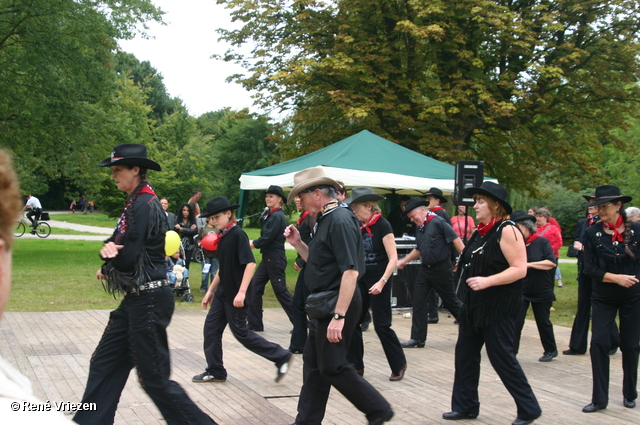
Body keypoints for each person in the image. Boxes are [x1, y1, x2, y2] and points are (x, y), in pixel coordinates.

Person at [74, 143, 215, 425]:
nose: (113, 175)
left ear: (135, 170)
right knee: (105, 362)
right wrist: (110, 253)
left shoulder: (145, 204)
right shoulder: (134, 203)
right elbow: (114, 243)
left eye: (117, 170)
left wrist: (112, 256)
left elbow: (127, 255)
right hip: (137, 299)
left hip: (149, 299)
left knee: (154, 379)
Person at [284, 166, 394, 425]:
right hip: (325, 302)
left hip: (337, 302)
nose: (299, 201)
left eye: (302, 195)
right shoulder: (325, 218)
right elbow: (320, 263)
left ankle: (378, 409)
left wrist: (339, 315)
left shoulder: (340, 219)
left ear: (318, 193)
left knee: (332, 366)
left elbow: (351, 271)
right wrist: (299, 244)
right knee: (314, 366)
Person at [444, 181, 541, 425]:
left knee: (502, 358)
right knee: (464, 355)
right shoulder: (481, 231)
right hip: (473, 305)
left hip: (498, 305)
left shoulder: (508, 230)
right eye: (475, 200)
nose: (475, 205)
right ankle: (465, 406)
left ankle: (529, 408)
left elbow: (520, 270)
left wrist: (487, 281)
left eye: (480, 201)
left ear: (496, 205)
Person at [0, 150, 73, 423]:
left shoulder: (32, 200)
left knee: (32, 219)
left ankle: (34, 228)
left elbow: (29, 208)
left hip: (39, 212)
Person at [193, 197, 293, 384]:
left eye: (217, 217)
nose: (213, 222)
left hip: (235, 296)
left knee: (242, 333)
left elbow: (250, 263)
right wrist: (210, 291)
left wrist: (241, 292)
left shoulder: (238, 234)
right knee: (211, 329)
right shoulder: (222, 237)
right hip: (223, 294)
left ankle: (281, 355)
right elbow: (223, 269)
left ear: (228, 213)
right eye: (211, 219)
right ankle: (216, 370)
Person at [581, 185, 640, 413]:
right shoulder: (591, 232)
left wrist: (631, 281)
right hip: (603, 296)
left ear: (618, 205)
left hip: (632, 296)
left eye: (604, 206)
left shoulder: (636, 230)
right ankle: (599, 398)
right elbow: (589, 268)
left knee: (630, 345)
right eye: (597, 206)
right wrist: (616, 278)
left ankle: (629, 393)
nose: (599, 210)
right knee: (598, 343)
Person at [347, 187, 407, 381]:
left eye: (356, 207)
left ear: (368, 206)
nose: (354, 211)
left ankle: (398, 364)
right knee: (354, 321)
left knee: (382, 325)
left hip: (379, 279)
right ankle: (356, 367)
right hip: (362, 279)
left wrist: (382, 282)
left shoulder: (383, 225)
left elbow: (393, 259)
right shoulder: (358, 226)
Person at [397, 197, 464, 348]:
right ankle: (417, 338)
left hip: (441, 268)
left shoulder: (438, 222)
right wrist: (404, 260)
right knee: (418, 302)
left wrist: (466, 261)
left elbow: (456, 240)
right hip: (425, 269)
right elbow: (419, 249)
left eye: (413, 216)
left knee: (451, 301)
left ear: (422, 209)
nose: (413, 220)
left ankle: (474, 326)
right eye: (410, 218)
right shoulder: (420, 227)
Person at [563, 194, 620, 356]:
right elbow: (577, 241)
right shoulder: (583, 223)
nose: (592, 206)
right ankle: (577, 345)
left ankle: (613, 340)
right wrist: (577, 246)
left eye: (595, 204)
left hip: (600, 271)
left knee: (601, 306)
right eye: (590, 204)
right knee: (583, 306)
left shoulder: (606, 224)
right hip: (585, 269)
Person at [510, 210, 558, 362]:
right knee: (516, 322)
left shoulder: (541, 242)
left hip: (541, 288)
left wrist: (529, 264)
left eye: (517, 226)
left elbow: (551, 262)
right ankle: (511, 353)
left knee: (543, 321)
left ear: (526, 227)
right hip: (522, 288)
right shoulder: (516, 243)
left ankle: (550, 350)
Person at [248, 185, 294, 331]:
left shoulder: (278, 216)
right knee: (255, 287)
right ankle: (255, 324)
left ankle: (301, 322)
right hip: (268, 258)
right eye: (267, 196)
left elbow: (267, 238)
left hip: (275, 258)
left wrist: (252, 244)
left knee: (281, 292)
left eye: (271, 196)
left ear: (279, 199)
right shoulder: (272, 215)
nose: (268, 198)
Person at [288, 196, 315, 354]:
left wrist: (301, 261)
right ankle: (298, 343)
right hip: (307, 264)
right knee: (298, 303)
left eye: (301, 198)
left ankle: (304, 343)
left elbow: (313, 243)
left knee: (306, 304)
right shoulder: (305, 218)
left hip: (311, 265)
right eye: (297, 198)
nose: (298, 201)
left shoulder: (313, 218)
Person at [535, 208, 563, 287]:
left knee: (549, 278)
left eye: (540, 216)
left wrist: (549, 251)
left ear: (546, 217)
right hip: (537, 256)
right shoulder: (534, 229)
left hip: (551, 256)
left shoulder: (553, 228)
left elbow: (559, 242)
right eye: (537, 216)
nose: (538, 218)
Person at [198, 214, 220, 293]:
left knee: (214, 272)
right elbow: (199, 239)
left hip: (215, 255)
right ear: (208, 219)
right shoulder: (203, 229)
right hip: (206, 254)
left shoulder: (218, 229)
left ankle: (213, 288)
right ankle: (204, 287)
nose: (214, 221)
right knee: (205, 272)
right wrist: (199, 243)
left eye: (215, 219)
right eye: (212, 219)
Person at [174, 203, 197, 269]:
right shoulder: (177, 219)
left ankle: (185, 277)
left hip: (190, 244)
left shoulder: (192, 220)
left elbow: (194, 231)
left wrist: (182, 229)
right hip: (180, 244)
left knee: (187, 263)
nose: (186, 212)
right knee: (179, 262)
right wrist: (188, 230)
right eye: (184, 210)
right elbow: (176, 230)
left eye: (187, 210)